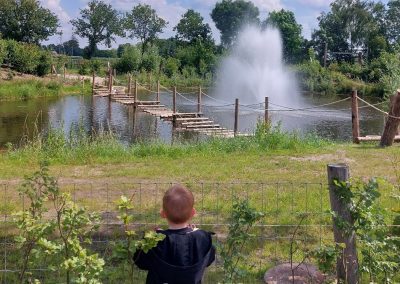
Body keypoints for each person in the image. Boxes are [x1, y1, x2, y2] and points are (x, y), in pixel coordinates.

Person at [134, 184, 215, 284]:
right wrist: (196, 234)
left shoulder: (155, 241)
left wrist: (153, 236)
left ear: (163, 214)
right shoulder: (202, 238)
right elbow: (209, 259)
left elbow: (140, 262)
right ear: (193, 213)